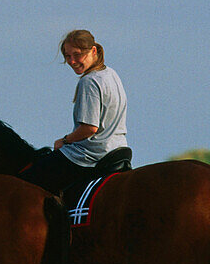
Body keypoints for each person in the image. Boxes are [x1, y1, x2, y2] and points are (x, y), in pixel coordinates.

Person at [19, 29, 128, 195]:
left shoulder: (89, 81)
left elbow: (89, 128)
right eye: (67, 56)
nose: (72, 61)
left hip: (89, 155)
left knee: (24, 184)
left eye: (77, 55)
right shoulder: (110, 73)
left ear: (93, 51)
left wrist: (64, 140)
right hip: (117, 147)